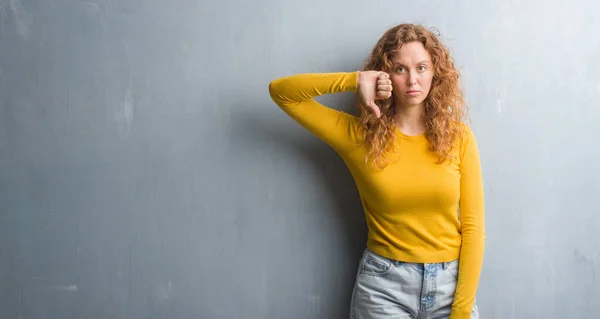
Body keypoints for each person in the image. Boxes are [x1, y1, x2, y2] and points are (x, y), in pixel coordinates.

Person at [268, 23, 485, 319]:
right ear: (385, 75)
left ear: (436, 72)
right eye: (400, 69)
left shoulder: (459, 138)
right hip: (384, 289)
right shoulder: (358, 136)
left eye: (422, 67)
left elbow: (473, 229)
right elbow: (282, 93)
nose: (412, 80)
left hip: (451, 286)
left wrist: (460, 312)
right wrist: (355, 80)